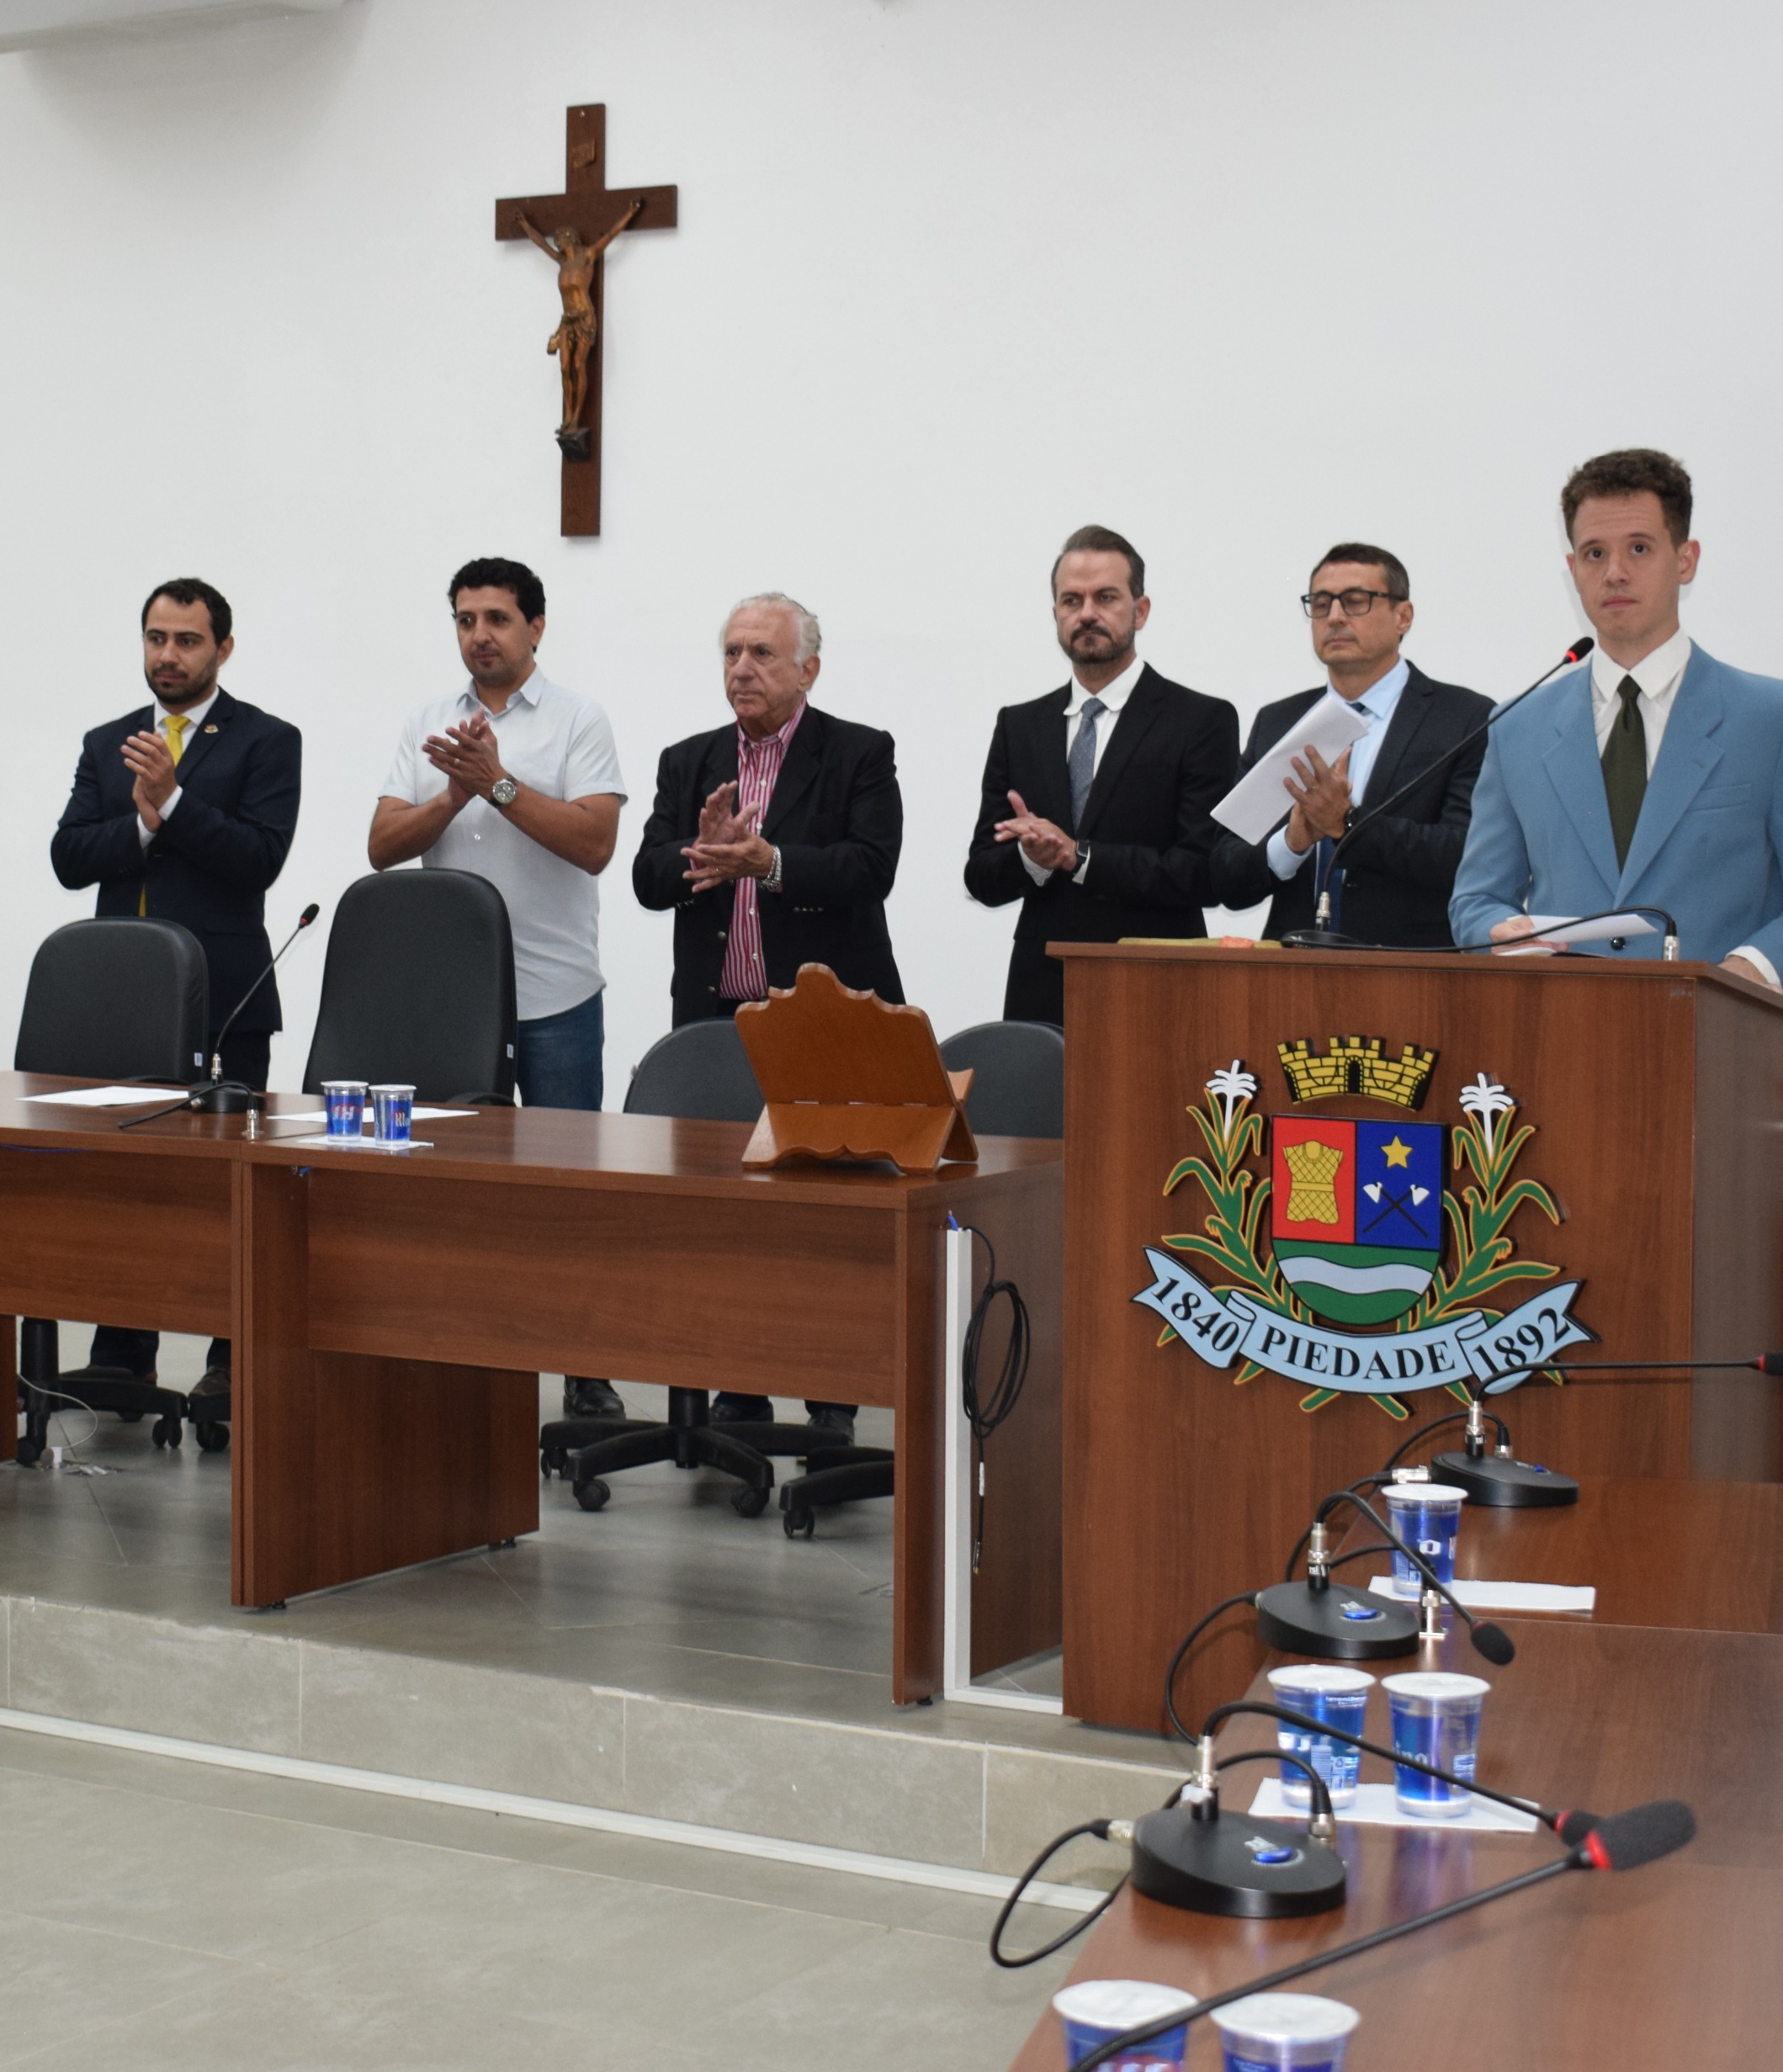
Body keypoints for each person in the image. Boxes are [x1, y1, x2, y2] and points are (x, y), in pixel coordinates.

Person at [630, 589, 899, 1438]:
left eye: (762, 654)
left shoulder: (857, 752)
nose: (741, 668)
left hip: (820, 1021)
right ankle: (738, 1389)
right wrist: (694, 855)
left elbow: (869, 866)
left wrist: (770, 860)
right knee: (724, 1219)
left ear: (807, 669)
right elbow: (645, 878)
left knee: (825, 1218)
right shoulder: (688, 759)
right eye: (730, 652)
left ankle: (830, 1401)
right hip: (715, 1028)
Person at [1450, 449, 1783, 992]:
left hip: (1716, 1037)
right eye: (1594, 553)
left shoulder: (1772, 719)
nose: (1615, 572)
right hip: (1556, 1032)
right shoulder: (1516, 727)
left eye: (1640, 548)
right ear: (1573, 571)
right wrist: (1497, 932)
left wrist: (1752, 970)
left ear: (1686, 559)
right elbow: (1477, 897)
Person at [369, 556, 630, 1420]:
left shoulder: (575, 719)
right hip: (452, 1005)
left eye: (496, 618)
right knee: (450, 1196)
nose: (478, 634)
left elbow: (594, 843)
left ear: (535, 627)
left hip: (555, 994)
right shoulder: (426, 720)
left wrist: (501, 785)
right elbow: (381, 845)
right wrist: (452, 794)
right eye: (464, 618)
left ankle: (585, 1371)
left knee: (565, 1194)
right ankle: (455, 1355)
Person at [49, 576, 302, 1421]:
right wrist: (145, 825)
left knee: (232, 1192)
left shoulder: (266, 740)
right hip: (123, 1005)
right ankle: (121, 1353)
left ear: (221, 648)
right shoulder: (106, 739)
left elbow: (255, 858)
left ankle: (230, 1358)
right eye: (155, 637)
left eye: (186, 640)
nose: (167, 655)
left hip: (227, 999)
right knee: (129, 1189)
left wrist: (178, 801)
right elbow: (69, 855)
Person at [964, 525, 1239, 1024]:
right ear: (1055, 616)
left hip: (1160, 984)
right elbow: (981, 875)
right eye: (1072, 600)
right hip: (1043, 989)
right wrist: (1035, 861)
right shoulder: (1019, 725)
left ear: (1141, 610)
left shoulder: (1201, 720)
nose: (1086, 613)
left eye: (1105, 597)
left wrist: (1079, 856)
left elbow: (1203, 872)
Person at [1203, 545, 1492, 946]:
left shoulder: (1464, 718)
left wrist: (1347, 824)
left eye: (1355, 601)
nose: (1334, 616)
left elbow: (1466, 855)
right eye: (1321, 604)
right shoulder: (1279, 722)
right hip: (1289, 969)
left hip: (1411, 970)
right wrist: (1291, 844)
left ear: (1403, 616)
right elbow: (1225, 874)